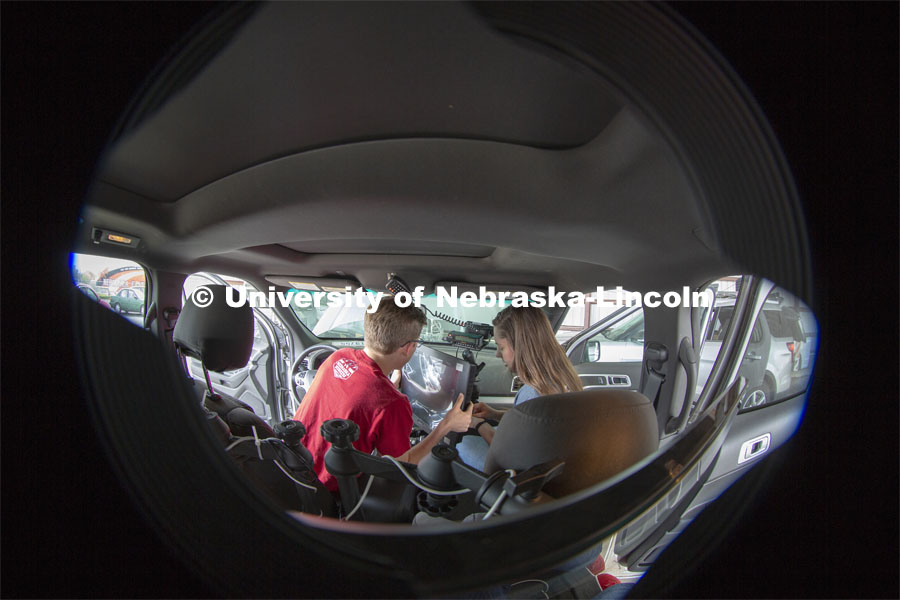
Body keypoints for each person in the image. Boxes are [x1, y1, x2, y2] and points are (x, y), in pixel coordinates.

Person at [293, 296, 472, 492]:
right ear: (407, 348)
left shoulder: (338, 357)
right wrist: (446, 425)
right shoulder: (391, 403)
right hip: (327, 492)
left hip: (294, 469)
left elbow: (359, 392)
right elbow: (401, 466)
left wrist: (388, 385)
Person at [456, 305, 583, 470]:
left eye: (501, 347)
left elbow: (511, 452)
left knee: (461, 444)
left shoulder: (532, 393)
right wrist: (494, 414)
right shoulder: (563, 379)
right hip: (553, 463)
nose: (497, 354)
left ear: (521, 346)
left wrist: (479, 425)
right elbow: (529, 426)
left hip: (522, 473)